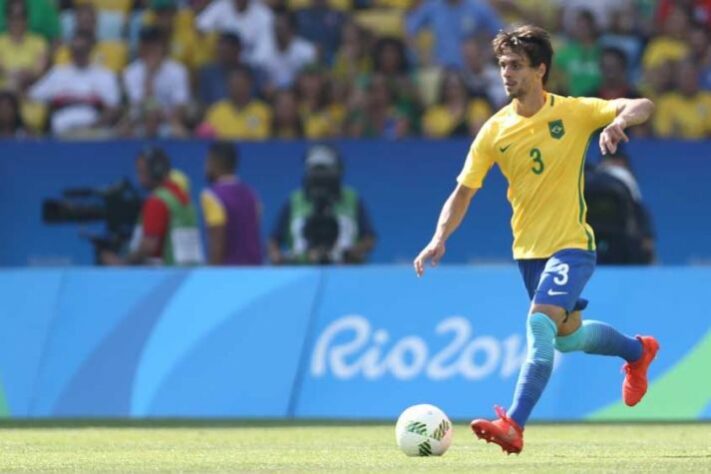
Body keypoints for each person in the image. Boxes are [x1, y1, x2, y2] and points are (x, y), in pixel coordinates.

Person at [413, 25, 658, 455]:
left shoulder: (575, 111)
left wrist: (619, 120)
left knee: (539, 323)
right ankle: (638, 352)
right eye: (503, 65)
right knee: (567, 338)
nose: (506, 73)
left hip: (572, 245)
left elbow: (643, 103)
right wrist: (438, 238)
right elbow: (464, 191)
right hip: (528, 252)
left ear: (540, 70)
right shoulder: (494, 130)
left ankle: (514, 424)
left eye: (516, 65)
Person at [268, 143, 375, 265]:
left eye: (325, 170)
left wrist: (355, 252)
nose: (320, 176)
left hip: (345, 270)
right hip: (301, 268)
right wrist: (276, 255)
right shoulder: (293, 200)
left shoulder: (352, 199)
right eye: (315, 170)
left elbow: (369, 238)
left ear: (337, 170)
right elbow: (274, 238)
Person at [101, 147, 203, 266]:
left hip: (166, 276)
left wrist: (123, 263)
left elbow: (148, 246)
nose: (138, 178)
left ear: (156, 171)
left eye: (141, 171)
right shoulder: (183, 198)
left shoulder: (157, 201)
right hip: (191, 274)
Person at [200, 141, 262, 265]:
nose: (205, 166)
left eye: (207, 162)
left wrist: (211, 277)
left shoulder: (211, 196)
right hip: (256, 272)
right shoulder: (252, 195)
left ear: (214, 162)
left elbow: (217, 243)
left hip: (229, 274)